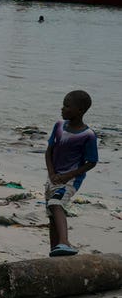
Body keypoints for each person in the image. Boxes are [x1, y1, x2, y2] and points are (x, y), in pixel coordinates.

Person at [44, 90, 98, 257]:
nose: (62, 109)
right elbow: (49, 151)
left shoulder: (88, 135)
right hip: (53, 177)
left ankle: (64, 242)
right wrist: (52, 173)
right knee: (52, 214)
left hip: (70, 180)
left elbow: (92, 162)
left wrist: (68, 175)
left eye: (67, 106)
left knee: (56, 204)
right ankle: (56, 250)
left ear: (80, 110)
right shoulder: (59, 126)